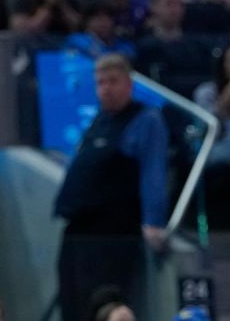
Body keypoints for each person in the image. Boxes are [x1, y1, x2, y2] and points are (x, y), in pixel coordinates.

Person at [54, 54, 169, 321]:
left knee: (102, 305)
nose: (106, 88)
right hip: (77, 230)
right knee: (71, 304)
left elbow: (153, 172)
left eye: (113, 81)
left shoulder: (145, 119)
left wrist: (153, 221)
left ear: (129, 84)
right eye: (100, 82)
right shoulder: (99, 120)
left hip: (112, 234)